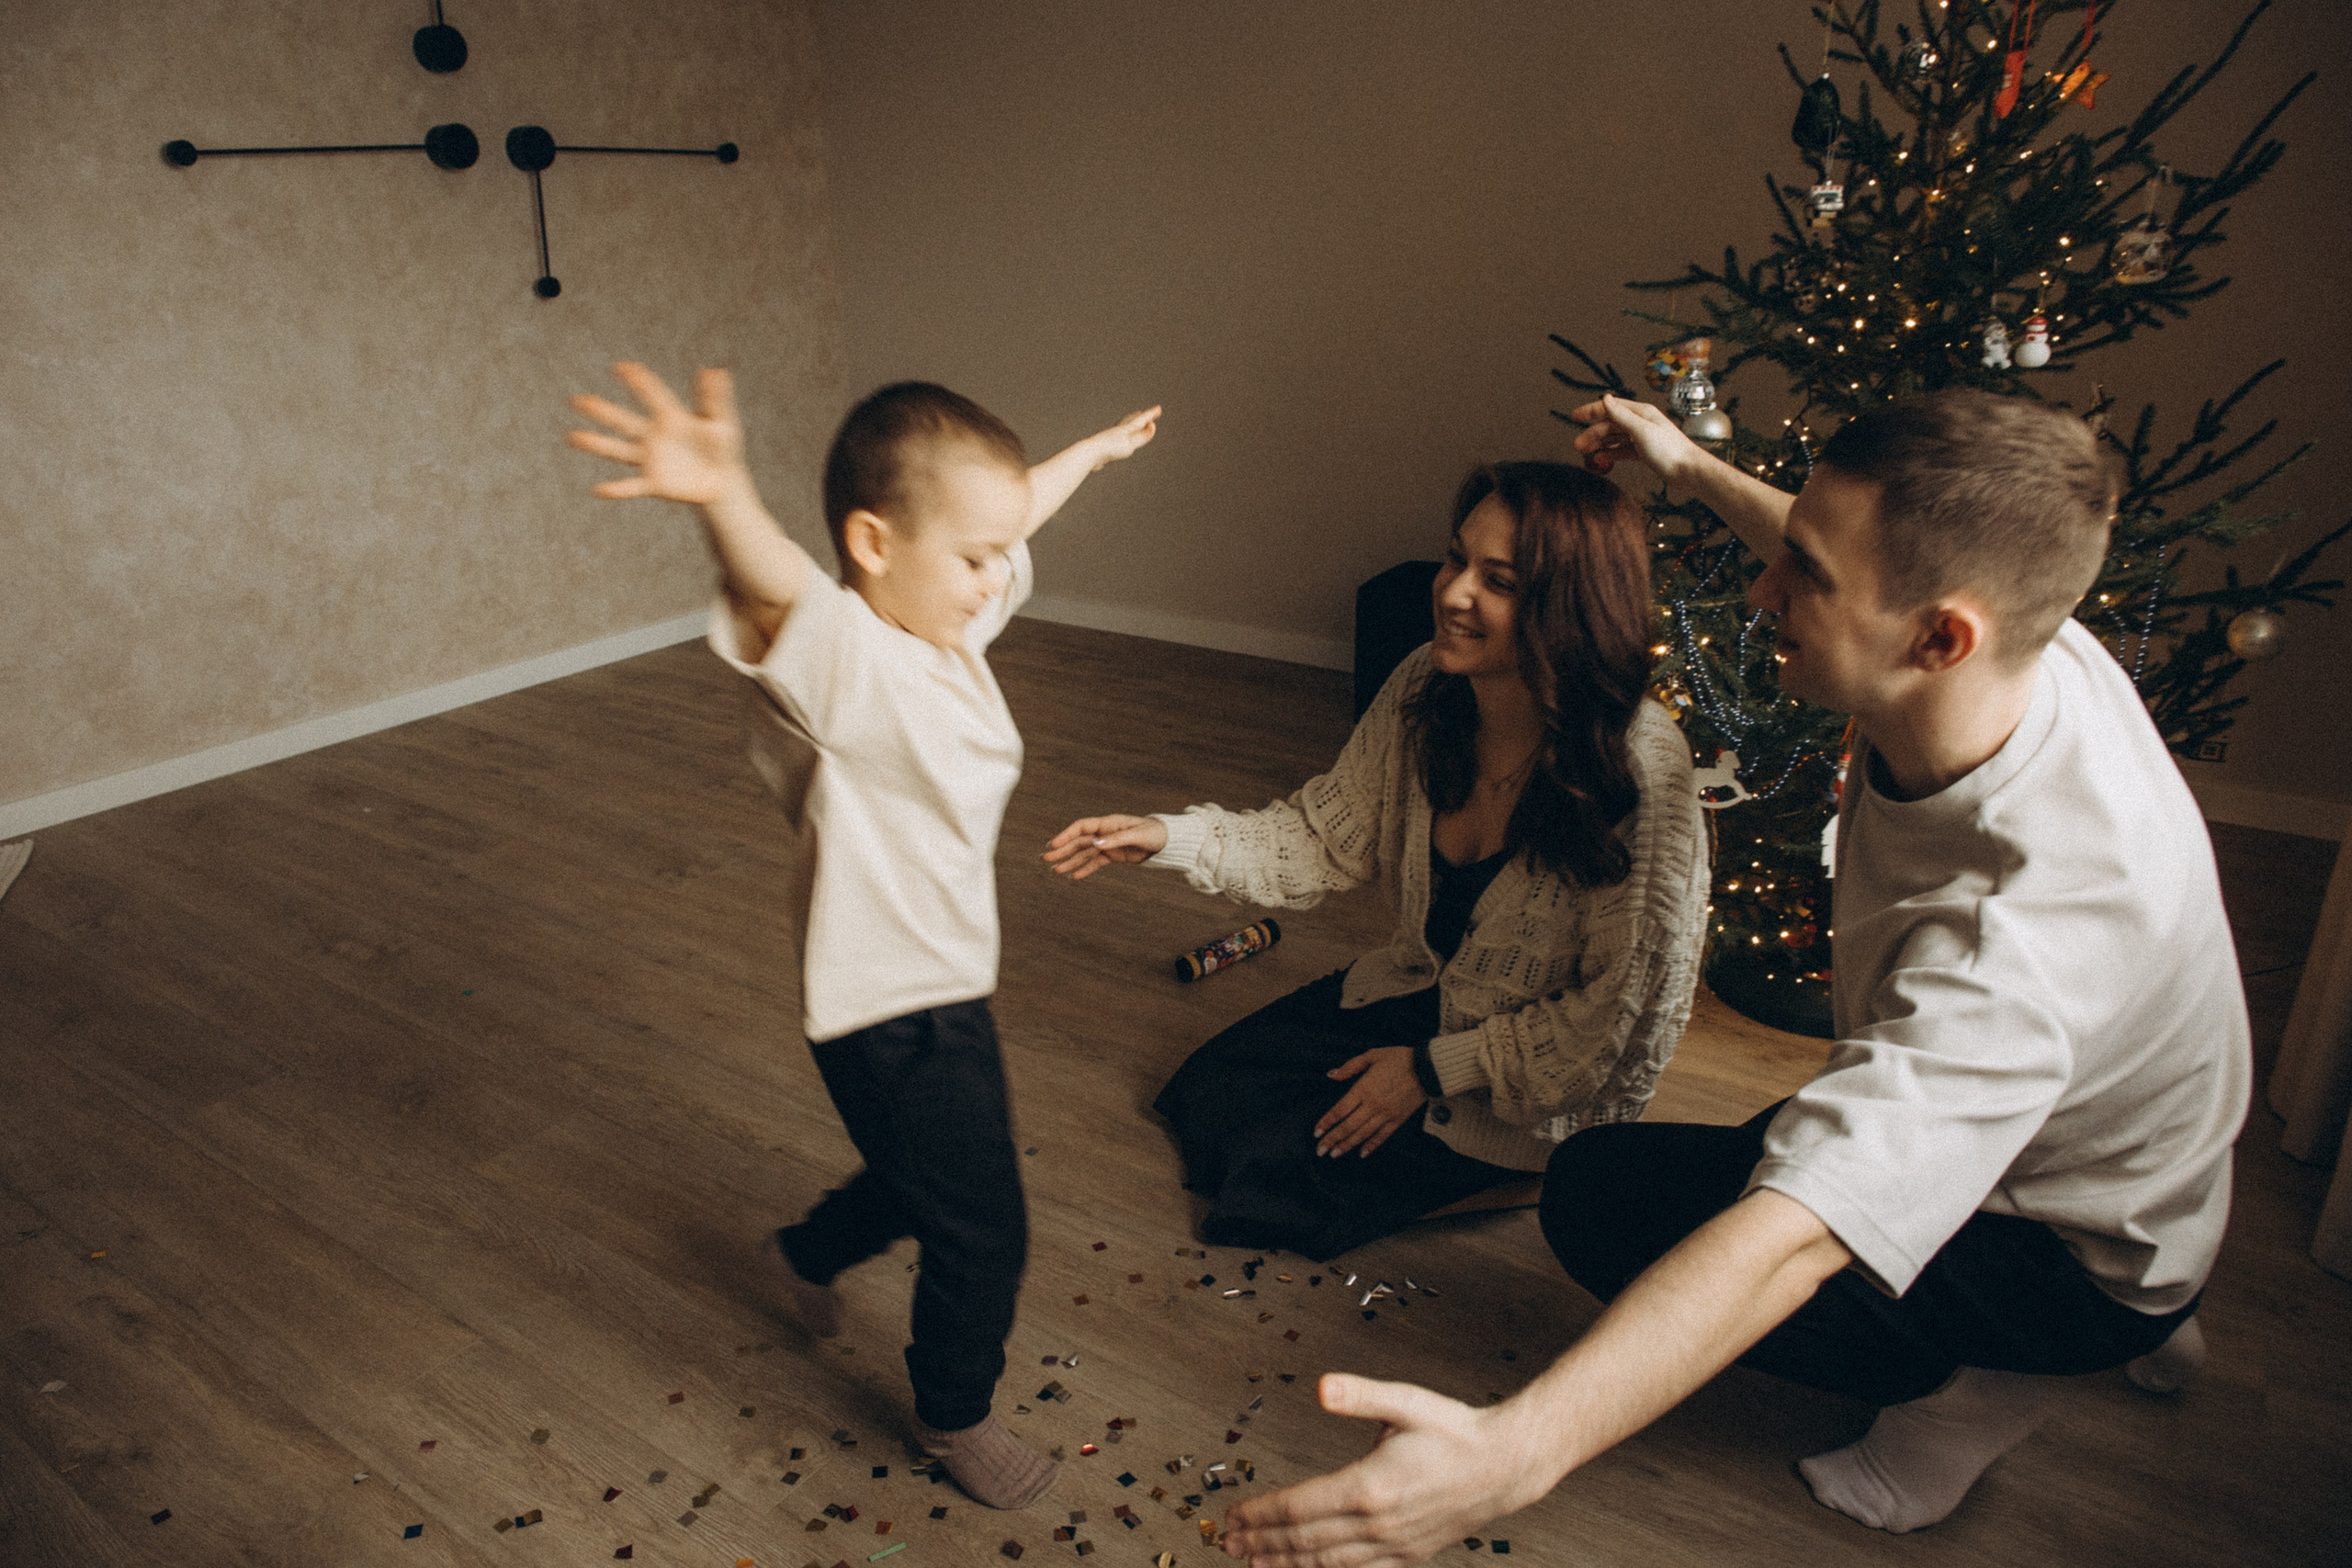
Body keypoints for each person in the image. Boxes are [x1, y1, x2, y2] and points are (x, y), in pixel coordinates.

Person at [1215, 389, 2247, 1565]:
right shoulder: (2028, 642)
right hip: (2128, 1147)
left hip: (2060, 1242)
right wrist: (1689, 466)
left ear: (1939, 639)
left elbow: (1805, 1231)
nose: (1763, 593)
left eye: (1799, 574)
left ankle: (1999, 1387)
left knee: (1603, 1204)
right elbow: (1868, 563)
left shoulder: (2030, 931)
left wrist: (1515, 1453)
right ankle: (2158, 1291)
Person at [566, 364, 1159, 1510]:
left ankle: (804, 1253)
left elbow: (1011, 507)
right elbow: (781, 584)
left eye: (999, 556)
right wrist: (720, 495)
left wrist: (1087, 456)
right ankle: (954, 1417)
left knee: (920, 1173)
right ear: (875, 546)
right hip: (893, 1011)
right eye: (974, 558)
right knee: (984, 1229)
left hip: (935, 989)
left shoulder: (947, 629)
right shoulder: (848, 665)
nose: (998, 579)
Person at [1044, 462, 1709, 1260]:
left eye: (1497, 580)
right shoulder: (1425, 686)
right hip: (1427, 990)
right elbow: (1322, 839)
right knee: (1206, 1096)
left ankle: (1535, 1173)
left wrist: (1428, 1072)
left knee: (1268, 1192)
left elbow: (1605, 1026)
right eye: (1456, 559)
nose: (1454, 592)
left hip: (1538, 1069)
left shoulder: (1643, 773)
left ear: (1568, 606)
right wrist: (1165, 835)